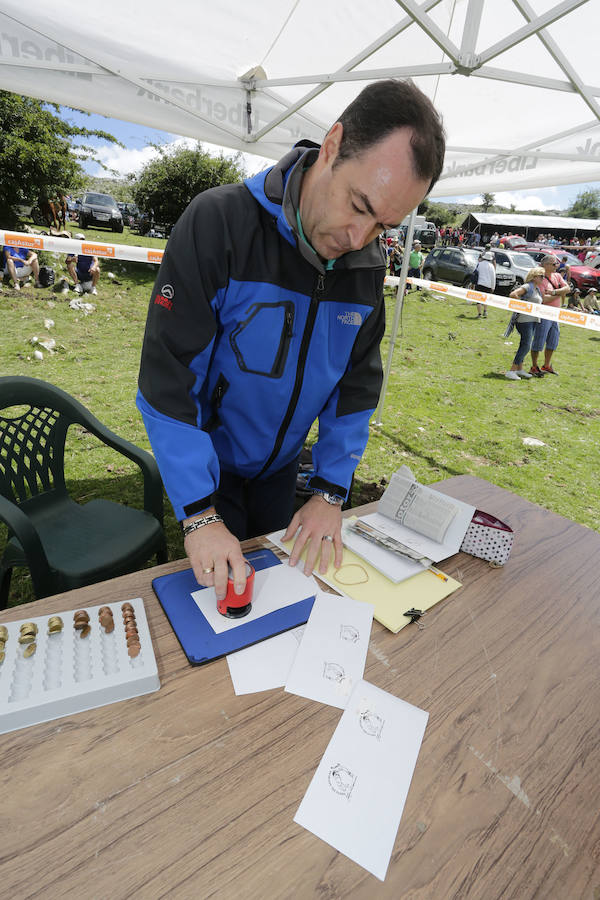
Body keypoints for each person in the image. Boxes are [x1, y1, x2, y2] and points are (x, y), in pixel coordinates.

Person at [137, 79, 445, 603]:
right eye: (358, 203)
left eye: (383, 226)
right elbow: (167, 382)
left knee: (284, 595)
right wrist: (197, 514)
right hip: (212, 470)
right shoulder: (219, 224)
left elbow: (356, 388)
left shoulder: (366, 267)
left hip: (283, 469)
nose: (357, 239)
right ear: (331, 145)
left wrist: (329, 490)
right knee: (221, 604)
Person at [529, 254, 569, 377]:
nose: (556, 266)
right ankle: (534, 366)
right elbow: (544, 299)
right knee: (539, 341)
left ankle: (546, 365)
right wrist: (559, 294)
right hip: (544, 314)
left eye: (556, 263)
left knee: (553, 342)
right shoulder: (540, 279)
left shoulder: (557, 275)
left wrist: (554, 292)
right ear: (545, 265)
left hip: (555, 315)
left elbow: (567, 288)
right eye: (553, 264)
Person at [504, 267, 545, 380]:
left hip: (532, 320)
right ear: (534, 276)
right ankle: (512, 370)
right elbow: (513, 294)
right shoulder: (528, 286)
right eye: (541, 276)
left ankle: (519, 369)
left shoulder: (537, 289)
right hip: (524, 320)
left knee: (524, 344)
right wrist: (522, 306)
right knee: (526, 345)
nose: (543, 278)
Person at [473, 251, 496, 317]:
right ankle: (485, 311)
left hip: (479, 283)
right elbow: (493, 277)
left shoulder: (480, 264)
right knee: (486, 299)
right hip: (488, 285)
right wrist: (493, 287)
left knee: (478, 300)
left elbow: (476, 273)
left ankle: (479, 314)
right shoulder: (491, 266)